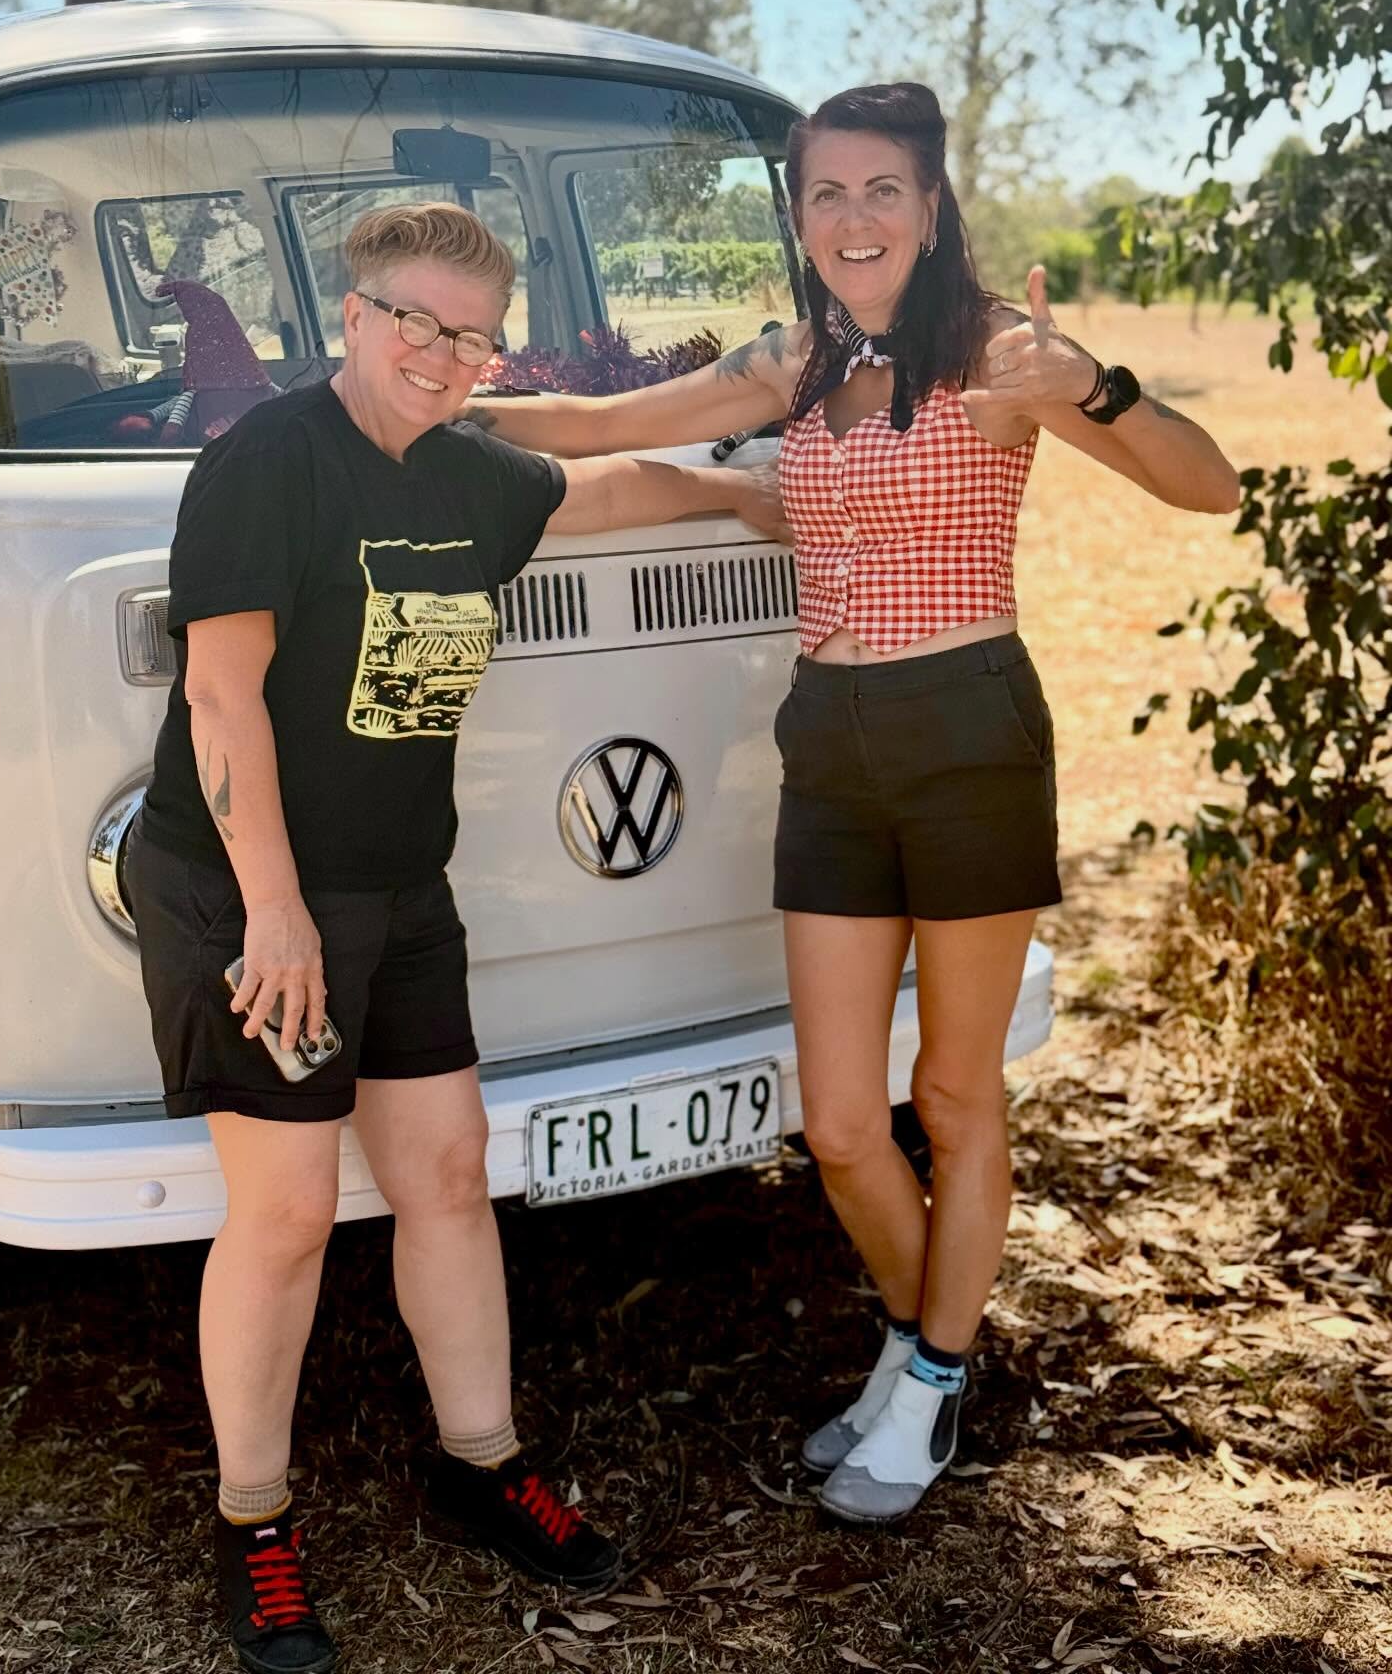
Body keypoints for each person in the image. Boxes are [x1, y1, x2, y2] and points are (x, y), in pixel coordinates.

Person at [468, 82, 1240, 1525]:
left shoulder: (999, 353)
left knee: (950, 1093)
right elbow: (599, 422)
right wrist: (408, 399)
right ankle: (923, 1342)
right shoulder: (799, 361)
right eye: (827, 193)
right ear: (800, 215)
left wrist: (1096, 388)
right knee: (835, 1119)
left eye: (883, 189)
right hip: (829, 734)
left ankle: (935, 1379)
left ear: (933, 206)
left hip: (968, 731)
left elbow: (1211, 490)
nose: (854, 217)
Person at [124, 201, 773, 1674]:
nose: (439, 353)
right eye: (413, 321)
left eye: (471, 337)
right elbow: (221, 703)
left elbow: (597, 501)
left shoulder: (480, 478)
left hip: (403, 888)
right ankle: (254, 1522)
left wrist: (748, 501)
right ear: (353, 316)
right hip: (249, 885)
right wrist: (276, 916)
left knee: (449, 1172)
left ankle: (480, 1465)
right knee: (286, 1213)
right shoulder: (265, 465)